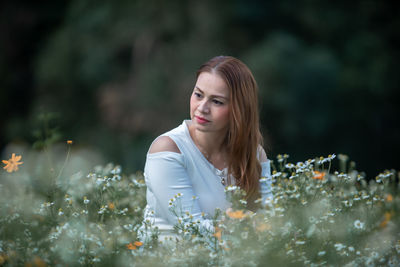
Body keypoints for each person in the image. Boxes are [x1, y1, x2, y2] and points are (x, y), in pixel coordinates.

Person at [141, 56, 272, 239]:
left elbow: (270, 222)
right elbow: (192, 230)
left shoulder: (254, 154)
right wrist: (248, 228)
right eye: (198, 94)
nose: (202, 108)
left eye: (217, 101)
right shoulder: (168, 149)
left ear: (239, 109)